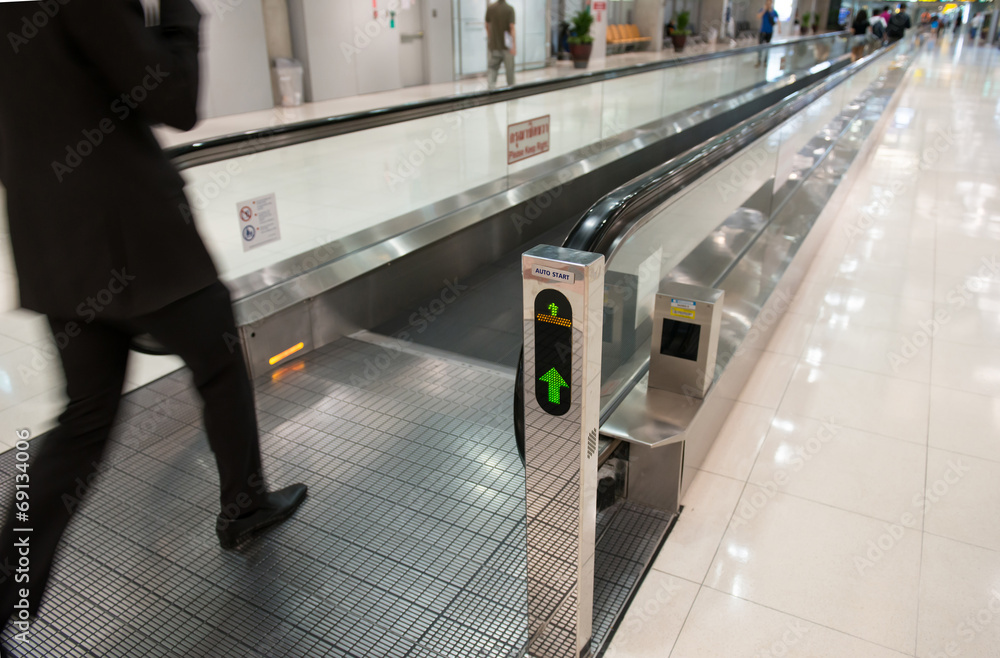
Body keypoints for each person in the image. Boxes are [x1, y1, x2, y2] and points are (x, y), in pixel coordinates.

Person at [0, 0, 308, 651]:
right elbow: (171, 96)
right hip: (135, 245)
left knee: (81, 426)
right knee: (222, 362)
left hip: (53, 248)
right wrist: (179, 15)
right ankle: (244, 505)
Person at [485, 0, 516, 89]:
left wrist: (490, 37)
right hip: (507, 47)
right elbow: (512, 28)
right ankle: (511, 92)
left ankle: (490, 91)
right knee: (510, 72)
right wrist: (513, 46)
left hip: (493, 46)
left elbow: (487, 25)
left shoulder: (490, 8)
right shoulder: (509, 9)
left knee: (492, 69)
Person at [756, 0, 780, 66]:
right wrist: (764, 10)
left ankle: (765, 61)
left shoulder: (773, 12)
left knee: (767, 47)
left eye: (770, 2)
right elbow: (758, 16)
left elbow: (777, 20)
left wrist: (779, 29)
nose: (769, 4)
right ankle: (759, 60)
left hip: (770, 31)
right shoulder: (763, 10)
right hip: (762, 31)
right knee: (760, 47)